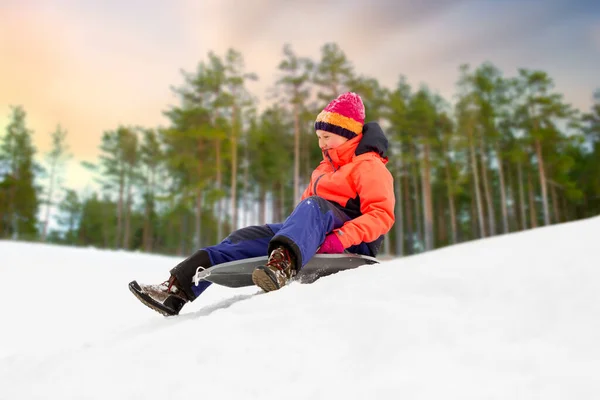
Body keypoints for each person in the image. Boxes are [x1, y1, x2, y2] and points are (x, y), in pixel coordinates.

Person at [130, 92, 395, 316]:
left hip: (352, 240)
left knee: (314, 206)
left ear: (349, 134)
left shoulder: (369, 166)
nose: (321, 143)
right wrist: (293, 234)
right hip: (315, 230)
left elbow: (381, 215)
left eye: (327, 137)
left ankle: (282, 266)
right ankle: (177, 290)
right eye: (319, 137)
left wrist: (339, 239)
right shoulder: (324, 169)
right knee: (245, 237)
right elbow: (304, 214)